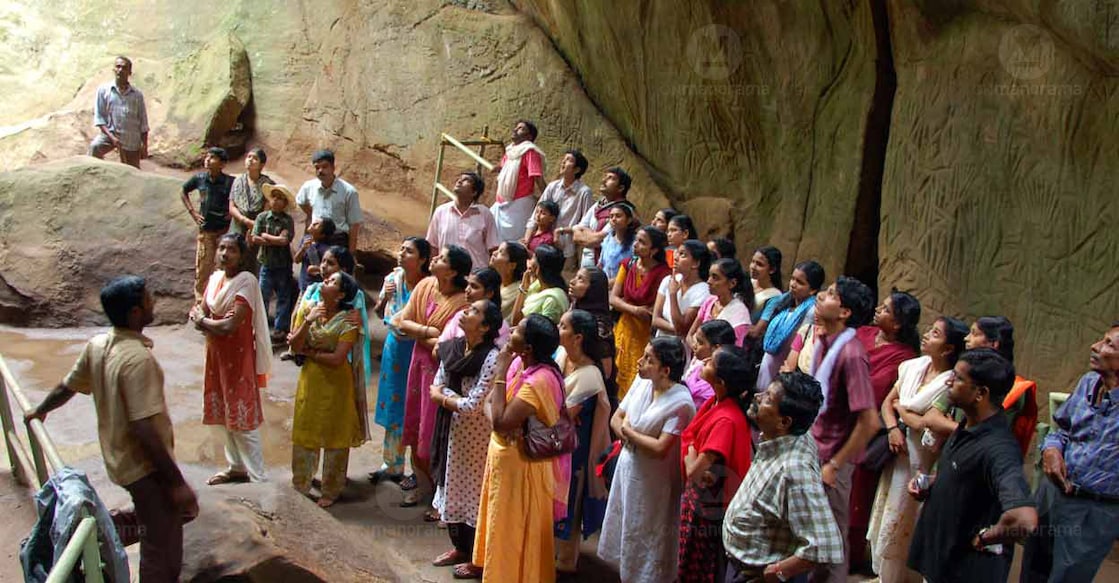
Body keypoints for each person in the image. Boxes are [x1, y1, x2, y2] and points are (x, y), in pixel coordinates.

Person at [25, 276, 197, 581]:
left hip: (119, 462)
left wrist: (41, 410)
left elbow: (68, 386)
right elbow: (143, 428)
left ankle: (100, 531)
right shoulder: (138, 360)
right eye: (147, 299)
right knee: (161, 549)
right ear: (134, 313)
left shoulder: (99, 345)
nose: (153, 301)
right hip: (146, 469)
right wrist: (176, 482)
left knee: (156, 517)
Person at [907, 348, 1038, 582]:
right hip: (942, 564)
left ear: (980, 393)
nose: (949, 381)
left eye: (958, 378)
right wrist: (930, 485)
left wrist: (986, 538)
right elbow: (965, 480)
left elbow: (1024, 520)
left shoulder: (999, 449)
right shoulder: (965, 427)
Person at [866, 316, 966, 582]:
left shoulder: (949, 382)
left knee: (907, 516)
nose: (926, 336)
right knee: (888, 510)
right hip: (897, 449)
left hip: (922, 458)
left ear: (947, 349)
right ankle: (885, 576)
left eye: (935, 334)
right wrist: (893, 428)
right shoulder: (914, 367)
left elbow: (925, 421)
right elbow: (888, 402)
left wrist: (902, 411)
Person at [473, 315, 570, 583]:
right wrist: (499, 415)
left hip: (522, 469)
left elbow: (500, 421)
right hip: (504, 460)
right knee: (499, 527)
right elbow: (489, 406)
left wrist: (501, 373)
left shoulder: (539, 382)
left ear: (527, 348)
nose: (512, 329)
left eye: (519, 330)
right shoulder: (520, 363)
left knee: (512, 532)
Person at [722, 372, 844, 583]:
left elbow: (824, 544)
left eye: (768, 399)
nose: (758, 397)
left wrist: (778, 571)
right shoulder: (791, 435)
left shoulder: (795, 470)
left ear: (784, 421)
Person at [1022, 322, 1119, 583]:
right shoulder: (1089, 382)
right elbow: (1062, 429)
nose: (1095, 346)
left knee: (1068, 577)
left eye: (1109, 344)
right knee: (1033, 568)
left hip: (1094, 509)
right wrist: (1052, 449)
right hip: (1052, 493)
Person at [598, 337, 697, 583]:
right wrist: (633, 434)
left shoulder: (681, 402)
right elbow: (615, 418)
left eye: (648, 360)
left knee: (649, 531)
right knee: (628, 526)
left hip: (655, 481)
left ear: (666, 371)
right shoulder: (643, 383)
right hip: (629, 468)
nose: (640, 363)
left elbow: (660, 447)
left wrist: (629, 433)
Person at [805, 277, 877, 583]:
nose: (822, 296)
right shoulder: (824, 342)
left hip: (831, 460)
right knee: (810, 536)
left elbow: (870, 421)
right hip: (812, 451)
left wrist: (835, 464)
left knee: (831, 543)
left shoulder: (851, 354)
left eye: (831, 294)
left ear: (845, 312)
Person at [188, 233, 272, 485]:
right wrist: (205, 320)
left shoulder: (246, 282)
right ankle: (236, 467)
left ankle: (258, 477)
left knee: (243, 417)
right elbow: (200, 310)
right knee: (222, 415)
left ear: (242, 255)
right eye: (222, 248)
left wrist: (204, 322)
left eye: (232, 250)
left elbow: (229, 325)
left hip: (238, 357)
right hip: (216, 357)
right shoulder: (215, 280)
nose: (224, 253)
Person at [847, 290, 921, 569]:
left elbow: (879, 392)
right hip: (837, 421)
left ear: (898, 323)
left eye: (887, 309)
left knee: (857, 494)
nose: (879, 310)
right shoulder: (863, 333)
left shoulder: (904, 358)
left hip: (867, 432)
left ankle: (849, 558)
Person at [429, 300, 502, 579]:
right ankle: (459, 548)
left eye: (473, 312)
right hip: (451, 430)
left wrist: (444, 397)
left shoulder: (492, 358)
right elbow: (438, 382)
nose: (466, 312)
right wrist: (449, 398)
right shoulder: (455, 347)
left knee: (473, 492)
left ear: (484, 327)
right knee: (450, 484)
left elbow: (473, 405)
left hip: (476, 437)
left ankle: (478, 557)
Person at [394, 245, 471, 506]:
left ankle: (440, 492)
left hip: (441, 372)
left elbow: (451, 347)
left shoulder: (462, 301)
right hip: (418, 363)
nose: (435, 258)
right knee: (415, 422)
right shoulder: (425, 284)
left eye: (442, 258)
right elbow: (402, 321)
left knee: (433, 429)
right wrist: (429, 332)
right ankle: (421, 483)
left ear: (451, 272)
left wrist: (420, 334)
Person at [288, 271, 365, 507]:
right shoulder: (309, 308)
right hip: (311, 380)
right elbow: (294, 344)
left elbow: (338, 358)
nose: (325, 281)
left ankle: (331, 489)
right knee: (306, 428)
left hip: (336, 384)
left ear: (341, 294)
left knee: (335, 434)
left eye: (332, 282)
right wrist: (309, 320)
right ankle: (301, 481)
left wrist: (309, 353)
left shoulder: (348, 320)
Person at [678, 346, 754, 583]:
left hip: (707, 509)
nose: (706, 360)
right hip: (699, 499)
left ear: (720, 381)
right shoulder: (716, 402)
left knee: (700, 569)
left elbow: (694, 470)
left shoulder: (726, 420)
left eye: (712, 362)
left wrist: (691, 449)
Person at [554, 310, 612, 573]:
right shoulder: (563, 355)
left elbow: (561, 412)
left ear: (577, 337)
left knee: (568, 503)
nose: (558, 327)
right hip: (557, 445)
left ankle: (563, 563)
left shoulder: (589, 375)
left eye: (563, 326)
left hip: (575, 452)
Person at [370, 237, 432, 483]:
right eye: (402, 249)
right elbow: (378, 312)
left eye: (409, 251)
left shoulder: (428, 286)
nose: (402, 254)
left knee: (416, 406)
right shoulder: (392, 279)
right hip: (395, 347)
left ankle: (418, 469)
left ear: (423, 259)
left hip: (418, 348)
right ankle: (392, 464)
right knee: (394, 403)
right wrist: (384, 298)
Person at [295, 246, 373, 391]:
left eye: (330, 263)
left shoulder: (354, 297)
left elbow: (355, 330)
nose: (324, 266)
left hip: (340, 363)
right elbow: (298, 322)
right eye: (323, 261)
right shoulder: (312, 290)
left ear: (343, 269)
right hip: (311, 365)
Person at [611, 226, 672, 399]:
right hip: (623, 330)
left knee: (637, 379)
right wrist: (635, 310)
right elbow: (613, 298)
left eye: (642, 242)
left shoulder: (663, 275)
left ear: (654, 250)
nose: (635, 245)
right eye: (636, 240)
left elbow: (657, 310)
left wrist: (637, 311)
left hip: (645, 335)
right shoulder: (628, 264)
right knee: (618, 375)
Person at [965, 316, 1038, 456]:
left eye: (974, 334)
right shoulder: (963, 376)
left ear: (993, 344)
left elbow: (986, 434)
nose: (966, 339)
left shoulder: (1015, 389)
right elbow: (932, 417)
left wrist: (948, 427)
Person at [757, 260, 825, 390]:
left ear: (813, 290)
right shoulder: (785, 302)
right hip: (770, 360)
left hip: (785, 362)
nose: (793, 284)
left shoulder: (811, 311)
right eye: (793, 279)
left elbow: (799, 342)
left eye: (800, 282)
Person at [180, 147, 235, 302]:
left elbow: (236, 199)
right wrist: (193, 212)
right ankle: (200, 302)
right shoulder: (199, 179)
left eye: (212, 157)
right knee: (203, 267)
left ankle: (219, 300)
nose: (207, 160)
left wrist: (231, 212)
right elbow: (183, 191)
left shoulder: (230, 182)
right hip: (206, 231)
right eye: (207, 157)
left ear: (222, 164)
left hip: (224, 232)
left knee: (222, 267)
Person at [530, 149, 595, 272]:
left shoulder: (584, 192)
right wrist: (528, 237)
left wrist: (561, 231)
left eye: (568, 160)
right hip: (544, 244)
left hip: (567, 248)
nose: (563, 162)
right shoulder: (552, 186)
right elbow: (536, 213)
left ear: (577, 169)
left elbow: (586, 225)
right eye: (564, 159)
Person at [427, 171, 500, 270]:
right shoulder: (440, 212)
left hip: (474, 277)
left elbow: (493, 248)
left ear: (474, 192)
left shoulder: (484, 214)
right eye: (459, 178)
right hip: (446, 275)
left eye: (466, 180)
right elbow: (433, 247)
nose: (460, 181)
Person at [252, 184, 296, 343]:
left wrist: (266, 237)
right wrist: (274, 240)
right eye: (274, 197)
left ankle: (280, 329)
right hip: (266, 264)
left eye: (280, 199)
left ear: (285, 203)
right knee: (263, 295)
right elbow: (255, 238)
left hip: (283, 265)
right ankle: (260, 327)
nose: (276, 201)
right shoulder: (262, 217)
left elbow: (285, 240)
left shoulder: (287, 220)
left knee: (283, 296)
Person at [568, 267, 618, 406]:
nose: (572, 282)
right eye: (575, 277)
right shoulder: (575, 308)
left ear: (593, 289)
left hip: (590, 397)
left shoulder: (600, 327)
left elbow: (605, 373)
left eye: (580, 280)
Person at [296, 149, 362, 252]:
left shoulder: (349, 191)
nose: (320, 171)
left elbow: (354, 225)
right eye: (317, 168)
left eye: (325, 166)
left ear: (333, 168)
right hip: (315, 238)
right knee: (310, 266)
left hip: (337, 240)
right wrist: (311, 215)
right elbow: (301, 202)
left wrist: (351, 254)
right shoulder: (308, 187)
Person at [491, 120, 546, 241]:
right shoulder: (510, 152)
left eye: (521, 128)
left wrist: (548, 199)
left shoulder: (530, 152)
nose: (515, 130)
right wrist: (498, 168)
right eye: (515, 127)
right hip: (500, 204)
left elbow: (537, 177)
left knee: (512, 245)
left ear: (529, 136)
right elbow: (507, 169)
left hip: (519, 205)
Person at [89, 56, 149, 169]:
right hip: (110, 135)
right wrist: (112, 138)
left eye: (124, 68)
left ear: (129, 72)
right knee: (95, 148)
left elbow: (143, 123)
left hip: (131, 139)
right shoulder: (104, 91)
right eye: (118, 66)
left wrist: (144, 146)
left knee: (133, 172)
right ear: (113, 69)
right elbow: (100, 118)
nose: (120, 70)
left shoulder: (137, 95)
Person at [227, 147, 276, 274]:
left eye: (255, 158)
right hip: (237, 225)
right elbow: (232, 207)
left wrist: (254, 225)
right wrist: (245, 220)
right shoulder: (238, 181)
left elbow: (267, 208)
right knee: (233, 258)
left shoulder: (268, 184)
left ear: (262, 164)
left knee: (252, 261)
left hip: (257, 227)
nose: (250, 160)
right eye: (249, 157)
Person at [573, 167, 633, 269]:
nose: (604, 180)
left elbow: (596, 241)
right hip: (586, 264)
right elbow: (576, 232)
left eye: (610, 178)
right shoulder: (599, 205)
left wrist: (588, 234)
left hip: (606, 266)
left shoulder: (622, 211)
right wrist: (593, 236)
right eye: (605, 177)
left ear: (620, 188)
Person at [688, 257, 754, 349]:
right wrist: (697, 348)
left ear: (732, 283)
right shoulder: (710, 302)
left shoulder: (739, 314)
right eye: (709, 276)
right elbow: (690, 335)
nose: (709, 281)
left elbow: (733, 351)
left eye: (715, 278)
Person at [653, 239, 711, 339]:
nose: (675, 258)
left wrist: (672, 294)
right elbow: (655, 320)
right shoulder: (668, 280)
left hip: (681, 348)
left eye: (682, 255)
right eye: (677, 253)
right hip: (660, 342)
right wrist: (675, 329)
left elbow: (682, 327)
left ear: (696, 263)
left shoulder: (704, 291)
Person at [683, 319, 738, 409]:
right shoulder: (698, 364)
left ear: (716, 348)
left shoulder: (715, 380)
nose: (694, 345)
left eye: (700, 343)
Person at [510, 244, 569, 325]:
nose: (529, 260)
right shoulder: (536, 285)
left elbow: (516, 322)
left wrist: (523, 287)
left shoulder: (552, 300)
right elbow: (514, 320)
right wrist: (524, 286)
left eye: (533, 257)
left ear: (539, 267)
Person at [596, 201, 638, 282]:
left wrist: (611, 283)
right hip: (604, 284)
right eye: (611, 216)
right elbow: (601, 264)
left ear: (629, 220)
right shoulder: (608, 239)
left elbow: (633, 272)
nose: (614, 219)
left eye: (618, 216)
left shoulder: (635, 243)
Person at [294, 217, 335, 292]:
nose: (312, 224)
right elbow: (296, 260)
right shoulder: (305, 239)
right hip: (304, 284)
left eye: (316, 224)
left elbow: (331, 270)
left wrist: (317, 269)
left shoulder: (326, 249)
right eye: (313, 222)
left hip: (317, 287)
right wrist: (303, 249)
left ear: (322, 234)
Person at [748, 245, 784, 326]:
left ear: (772, 270)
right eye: (753, 261)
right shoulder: (749, 282)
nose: (753, 267)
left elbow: (757, 331)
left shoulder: (774, 297)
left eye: (759, 264)